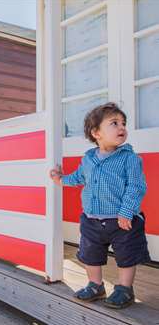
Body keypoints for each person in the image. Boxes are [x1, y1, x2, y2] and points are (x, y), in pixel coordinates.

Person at [50, 102, 150, 309]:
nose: (122, 127)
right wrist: (61, 179)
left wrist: (126, 211)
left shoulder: (129, 159)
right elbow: (78, 177)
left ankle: (124, 288)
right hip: (92, 219)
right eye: (114, 123)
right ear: (96, 133)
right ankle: (95, 285)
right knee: (90, 253)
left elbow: (136, 186)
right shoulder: (88, 159)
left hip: (122, 219)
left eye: (123, 123)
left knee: (126, 253)